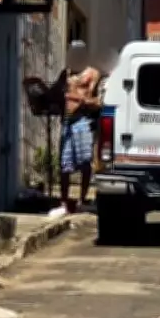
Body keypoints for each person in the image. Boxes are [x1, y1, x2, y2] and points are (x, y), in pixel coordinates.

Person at [46, 41, 102, 218]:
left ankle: (82, 199)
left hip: (83, 121)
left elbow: (99, 101)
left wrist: (81, 100)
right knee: (65, 163)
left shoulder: (93, 74)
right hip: (67, 122)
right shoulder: (66, 73)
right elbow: (56, 92)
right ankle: (64, 201)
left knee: (85, 161)